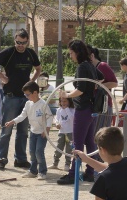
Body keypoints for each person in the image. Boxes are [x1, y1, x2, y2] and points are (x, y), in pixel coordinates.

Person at [0, 28, 42, 171]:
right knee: (7, 129)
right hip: (10, 97)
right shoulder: (9, 52)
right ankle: (1, 159)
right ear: (14, 40)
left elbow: (38, 68)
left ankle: (21, 159)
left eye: (23, 43)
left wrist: (32, 81)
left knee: (23, 131)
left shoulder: (30, 53)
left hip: (25, 98)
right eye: (18, 42)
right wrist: (2, 77)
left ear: (27, 42)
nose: (20, 45)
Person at [58, 39, 104, 185]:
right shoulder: (90, 65)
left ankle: (73, 173)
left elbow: (81, 90)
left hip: (83, 109)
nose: (70, 56)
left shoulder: (82, 67)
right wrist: (93, 89)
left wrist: (66, 95)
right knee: (90, 141)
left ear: (77, 53)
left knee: (77, 142)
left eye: (71, 53)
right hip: (92, 109)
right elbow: (101, 78)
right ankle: (90, 172)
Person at [4, 81, 52, 180]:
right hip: (33, 132)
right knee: (32, 152)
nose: (26, 96)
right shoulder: (28, 104)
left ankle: (42, 171)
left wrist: (46, 130)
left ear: (35, 93)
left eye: (28, 94)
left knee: (39, 152)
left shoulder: (43, 104)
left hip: (42, 134)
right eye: (25, 94)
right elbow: (22, 115)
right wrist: (12, 121)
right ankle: (33, 171)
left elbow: (50, 117)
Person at [87, 46, 118, 132]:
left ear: (92, 56)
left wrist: (98, 85)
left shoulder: (103, 66)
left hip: (103, 106)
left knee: (101, 134)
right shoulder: (89, 68)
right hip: (93, 105)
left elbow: (114, 83)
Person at [48, 97, 74, 172]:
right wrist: (57, 123)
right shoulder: (59, 110)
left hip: (70, 132)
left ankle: (67, 164)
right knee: (58, 148)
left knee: (69, 149)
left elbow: (72, 119)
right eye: (61, 101)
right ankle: (55, 163)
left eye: (65, 101)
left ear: (69, 101)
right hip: (61, 132)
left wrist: (66, 109)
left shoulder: (72, 110)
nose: (63, 103)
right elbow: (56, 118)